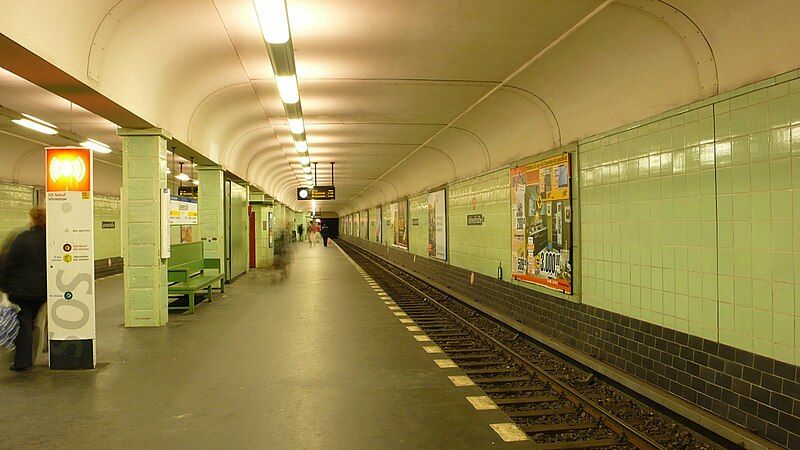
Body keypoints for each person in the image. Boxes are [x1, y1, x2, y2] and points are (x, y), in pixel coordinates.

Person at [0, 207, 46, 371]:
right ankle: (32, 354)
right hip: (43, 290)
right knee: (32, 321)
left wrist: (4, 285)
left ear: (33, 220)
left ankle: (23, 361)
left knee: (24, 322)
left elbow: (9, 263)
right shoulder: (51, 238)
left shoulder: (22, 238)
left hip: (21, 290)